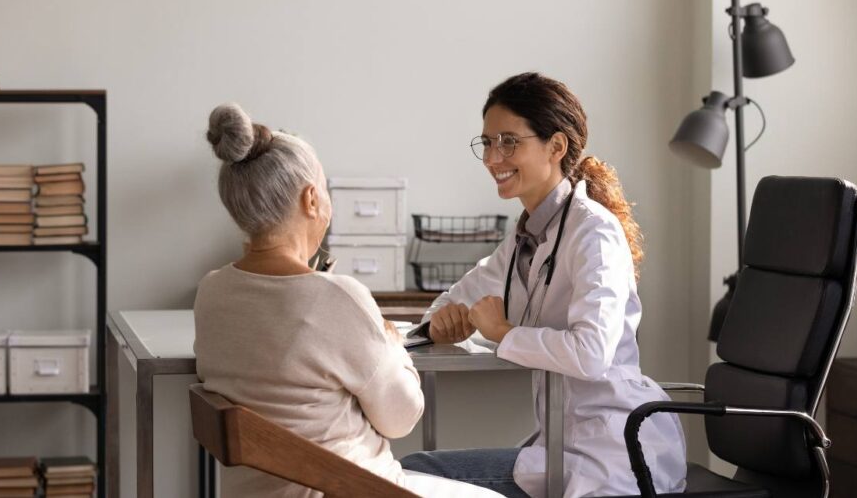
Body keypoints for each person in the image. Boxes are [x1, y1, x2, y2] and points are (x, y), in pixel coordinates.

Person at [193, 103, 504, 498]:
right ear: (311, 200)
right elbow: (402, 417)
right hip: (354, 489)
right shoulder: (336, 296)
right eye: (324, 189)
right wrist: (390, 344)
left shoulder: (212, 291)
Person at [399, 73, 688, 497]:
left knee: (411, 474)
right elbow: (450, 303)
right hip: (559, 445)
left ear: (556, 147)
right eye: (487, 142)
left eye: (508, 142)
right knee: (415, 473)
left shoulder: (594, 232)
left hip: (611, 451)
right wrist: (441, 324)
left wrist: (502, 332)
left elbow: (591, 353)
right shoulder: (525, 239)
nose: (492, 158)